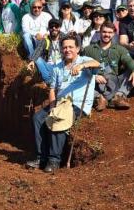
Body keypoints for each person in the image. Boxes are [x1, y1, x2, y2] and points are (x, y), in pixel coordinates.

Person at [27, 35, 100, 173]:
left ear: (78, 48)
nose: (67, 50)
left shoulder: (84, 61)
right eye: (65, 47)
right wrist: (52, 106)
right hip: (60, 102)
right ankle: (40, 157)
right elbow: (53, 89)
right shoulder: (57, 68)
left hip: (77, 104)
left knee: (59, 118)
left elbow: (97, 64)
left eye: (71, 47)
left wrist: (81, 66)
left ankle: (54, 160)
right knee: (38, 118)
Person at [83, 21, 134, 110]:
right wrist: (94, 76)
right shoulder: (88, 49)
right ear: (100, 32)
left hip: (114, 82)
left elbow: (130, 61)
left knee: (132, 70)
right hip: (95, 84)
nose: (107, 35)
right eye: (104, 32)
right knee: (82, 77)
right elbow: (81, 67)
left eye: (110, 32)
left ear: (114, 34)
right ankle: (98, 98)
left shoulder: (119, 49)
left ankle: (118, 97)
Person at [27, 18, 64, 83]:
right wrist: (32, 61)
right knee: (38, 60)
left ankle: (52, 80)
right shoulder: (46, 39)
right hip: (49, 66)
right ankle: (49, 81)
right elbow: (38, 49)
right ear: (49, 29)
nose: (54, 28)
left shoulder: (64, 38)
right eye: (51, 26)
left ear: (60, 28)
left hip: (62, 66)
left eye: (56, 26)